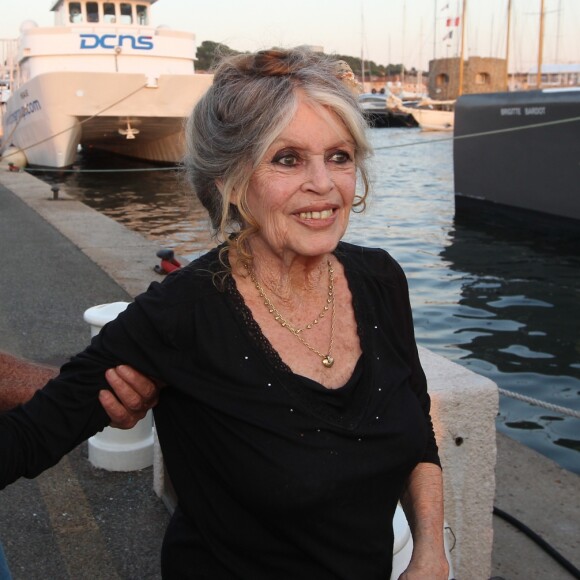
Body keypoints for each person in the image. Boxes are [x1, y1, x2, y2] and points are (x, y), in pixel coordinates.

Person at [0, 48, 448, 579]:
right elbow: (28, 441)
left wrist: (429, 551)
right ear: (229, 182)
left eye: (339, 156)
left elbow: (416, 425)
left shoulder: (380, 279)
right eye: (287, 159)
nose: (324, 185)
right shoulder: (180, 314)